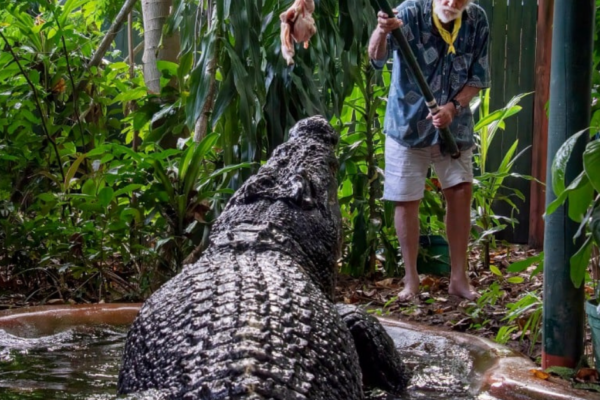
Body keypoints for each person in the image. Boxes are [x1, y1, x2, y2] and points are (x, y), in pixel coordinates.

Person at [368, 0, 490, 301]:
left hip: (454, 125)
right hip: (407, 124)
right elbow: (376, 58)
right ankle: (410, 282)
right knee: (406, 198)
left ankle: (458, 279)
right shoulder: (408, 13)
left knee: (461, 191)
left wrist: (453, 106)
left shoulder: (476, 20)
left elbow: (478, 77)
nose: (451, 3)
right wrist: (382, 31)